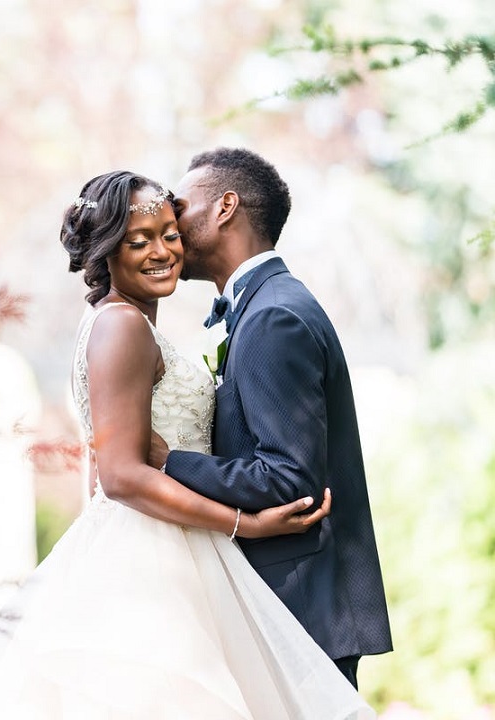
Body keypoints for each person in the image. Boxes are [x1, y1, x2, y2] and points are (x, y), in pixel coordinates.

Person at [0, 170, 373, 719]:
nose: (162, 251)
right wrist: (245, 524)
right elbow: (118, 476)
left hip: (176, 545)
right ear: (107, 252)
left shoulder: (125, 324)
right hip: (153, 558)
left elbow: (99, 472)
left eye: (169, 233)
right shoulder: (122, 327)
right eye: (139, 241)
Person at [150, 147, 394, 688]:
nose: (169, 225)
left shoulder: (272, 317)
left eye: (181, 209)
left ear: (225, 208)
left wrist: (172, 463)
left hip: (302, 605)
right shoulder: (267, 306)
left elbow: (288, 478)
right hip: (293, 601)